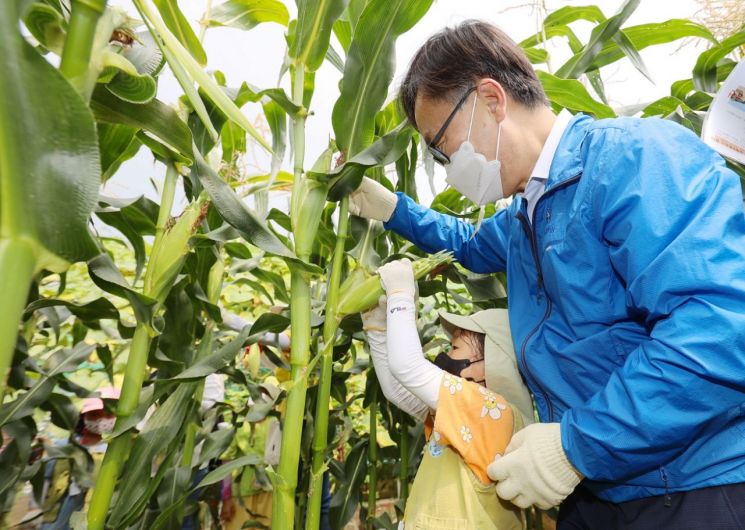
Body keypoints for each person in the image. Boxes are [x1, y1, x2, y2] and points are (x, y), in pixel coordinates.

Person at [349, 19, 745, 530]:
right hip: (593, 488)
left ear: (491, 100)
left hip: (688, 489)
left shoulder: (636, 159)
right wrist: (393, 209)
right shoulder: (525, 216)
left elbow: (719, 329)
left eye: (442, 148)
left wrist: (575, 446)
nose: (448, 168)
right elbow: (466, 243)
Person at [362, 258, 535, 528]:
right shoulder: (468, 414)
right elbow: (399, 391)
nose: (446, 356)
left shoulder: (491, 412)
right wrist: (377, 329)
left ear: (487, 366)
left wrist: (400, 294)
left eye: (455, 349)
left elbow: (408, 366)